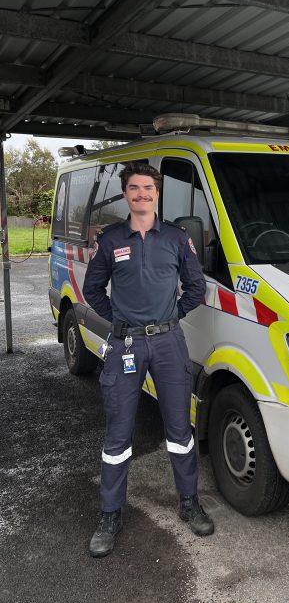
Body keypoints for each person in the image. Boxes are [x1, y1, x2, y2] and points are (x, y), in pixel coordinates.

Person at [83, 161, 214, 558]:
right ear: (126, 194)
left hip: (169, 343)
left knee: (179, 428)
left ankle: (189, 502)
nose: (142, 194)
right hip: (125, 345)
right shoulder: (111, 240)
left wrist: (172, 315)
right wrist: (120, 319)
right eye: (135, 188)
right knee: (118, 433)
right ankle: (110, 513)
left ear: (157, 193)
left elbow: (195, 287)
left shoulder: (175, 238)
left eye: (148, 188)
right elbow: (93, 289)